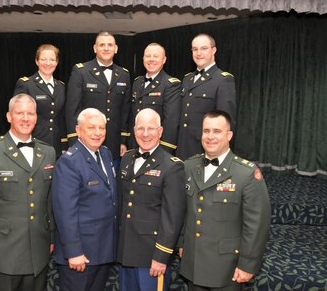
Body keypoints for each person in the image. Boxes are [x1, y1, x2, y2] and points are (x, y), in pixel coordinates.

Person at [0, 93, 56, 291]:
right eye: (19, 113)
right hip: (3, 251)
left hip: (38, 250)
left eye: (30, 113)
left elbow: (48, 201)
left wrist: (51, 238)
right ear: (8, 116)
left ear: (36, 117)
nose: (25, 118)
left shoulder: (48, 152)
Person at [178, 110, 271, 291]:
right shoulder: (188, 166)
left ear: (229, 135)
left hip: (226, 268)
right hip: (194, 261)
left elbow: (257, 225)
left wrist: (248, 264)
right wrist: (182, 243)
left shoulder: (246, 173)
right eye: (206, 131)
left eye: (217, 131)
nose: (210, 136)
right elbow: (183, 210)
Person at [117, 108, 186, 291]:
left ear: (160, 131)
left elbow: (173, 217)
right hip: (126, 250)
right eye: (140, 128)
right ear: (134, 130)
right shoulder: (127, 159)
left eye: (151, 128)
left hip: (151, 255)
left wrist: (162, 256)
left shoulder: (172, 166)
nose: (145, 134)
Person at [51, 108, 118, 291]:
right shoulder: (69, 162)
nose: (97, 133)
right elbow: (65, 212)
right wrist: (74, 251)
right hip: (81, 254)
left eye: (102, 128)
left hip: (103, 249)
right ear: (78, 130)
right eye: (91, 128)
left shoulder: (105, 154)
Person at [65, 31, 131, 168]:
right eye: (102, 45)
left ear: (116, 48)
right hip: (86, 142)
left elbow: (125, 110)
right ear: (95, 48)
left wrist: (123, 140)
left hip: (114, 144)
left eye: (110, 45)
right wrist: (73, 141)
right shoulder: (81, 71)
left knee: (111, 186)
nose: (106, 48)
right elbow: (72, 108)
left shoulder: (124, 74)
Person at [176, 33, 236, 161]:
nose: (198, 53)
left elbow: (225, 122)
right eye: (195, 49)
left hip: (205, 149)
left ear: (213, 50)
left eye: (204, 48)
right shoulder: (187, 79)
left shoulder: (223, 79)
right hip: (182, 146)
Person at [14, 44, 67, 157]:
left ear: (57, 62)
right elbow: (18, 116)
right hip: (32, 142)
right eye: (43, 59)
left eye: (52, 59)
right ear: (37, 61)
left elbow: (62, 118)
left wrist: (64, 145)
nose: (48, 63)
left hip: (56, 145)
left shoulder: (61, 87)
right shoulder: (26, 84)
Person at [129, 43, 181, 154]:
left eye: (156, 56)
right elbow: (132, 116)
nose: (151, 59)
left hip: (157, 148)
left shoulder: (170, 84)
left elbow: (171, 121)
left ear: (164, 60)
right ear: (143, 58)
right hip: (136, 145)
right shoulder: (137, 83)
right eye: (148, 56)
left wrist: (165, 150)